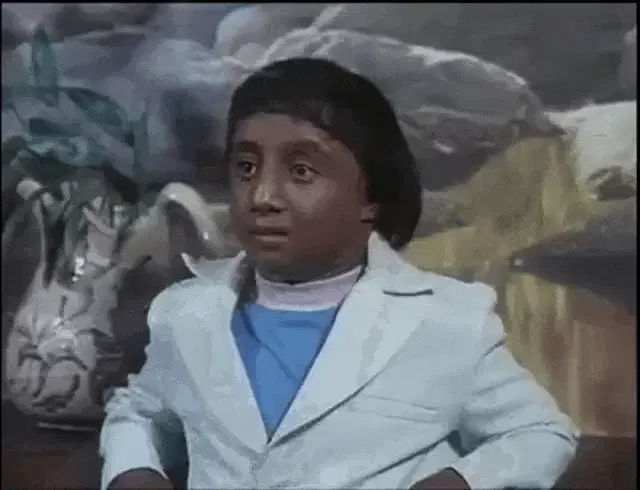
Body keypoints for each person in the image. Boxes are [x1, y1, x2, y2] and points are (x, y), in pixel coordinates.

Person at [100, 57, 579, 490]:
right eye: (246, 167)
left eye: (301, 171)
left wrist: (461, 481)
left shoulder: (449, 321)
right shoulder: (186, 313)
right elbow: (139, 412)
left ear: (372, 197)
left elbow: (539, 432)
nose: (262, 195)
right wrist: (133, 470)